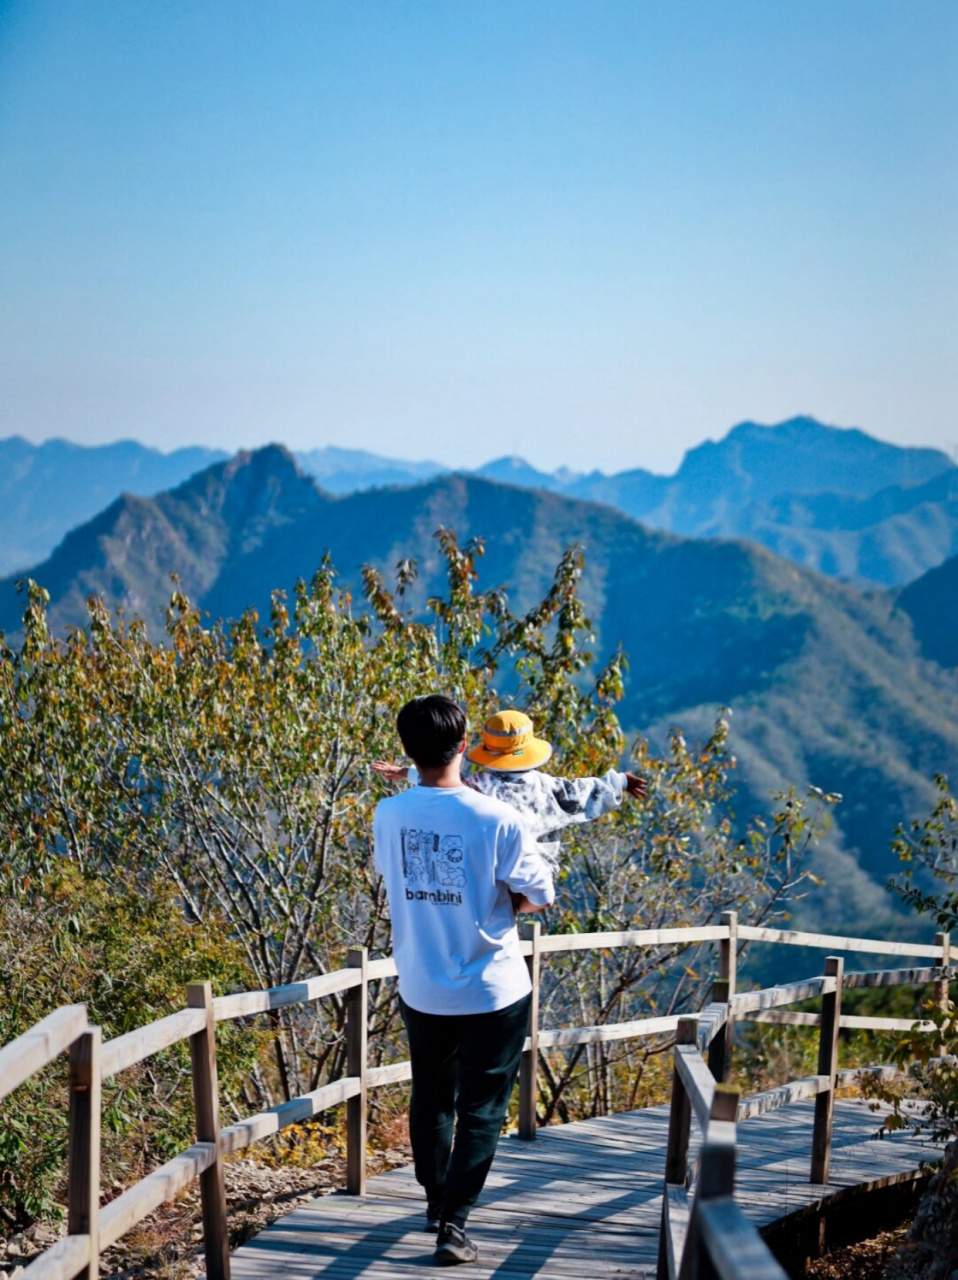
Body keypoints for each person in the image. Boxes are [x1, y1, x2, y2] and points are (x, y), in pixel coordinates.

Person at [373, 695, 555, 1266]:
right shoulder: (497, 818)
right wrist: (497, 902)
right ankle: (455, 1223)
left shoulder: (390, 814)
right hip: (493, 988)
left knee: (431, 1095)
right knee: (482, 1106)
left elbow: (394, 878)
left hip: (422, 984)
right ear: (464, 747)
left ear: (407, 751)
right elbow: (540, 896)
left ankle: (434, 1201)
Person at [375, 707, 648, 874]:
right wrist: (621, 780)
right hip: (537, 872)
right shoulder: (549, 788)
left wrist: (403, 772)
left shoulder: (478, 786)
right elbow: (586, 790)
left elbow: (445, 780)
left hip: (491, 872)